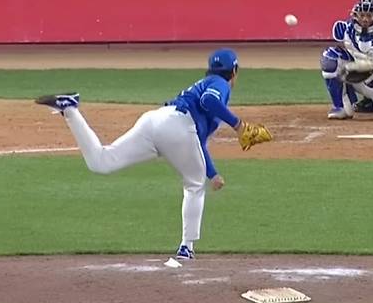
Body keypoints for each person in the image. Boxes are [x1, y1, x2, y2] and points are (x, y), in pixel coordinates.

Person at [34, 49, 272, 259]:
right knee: (194, 185)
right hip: (179, 127)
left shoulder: (204, 82)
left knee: (102, 162)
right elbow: (208, 101)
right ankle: (186, 247)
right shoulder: (219, 84)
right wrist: (238, 125)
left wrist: (213, 173)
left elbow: (196, 143)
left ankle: (70, 109)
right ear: (234, 71)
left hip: (155, 121)